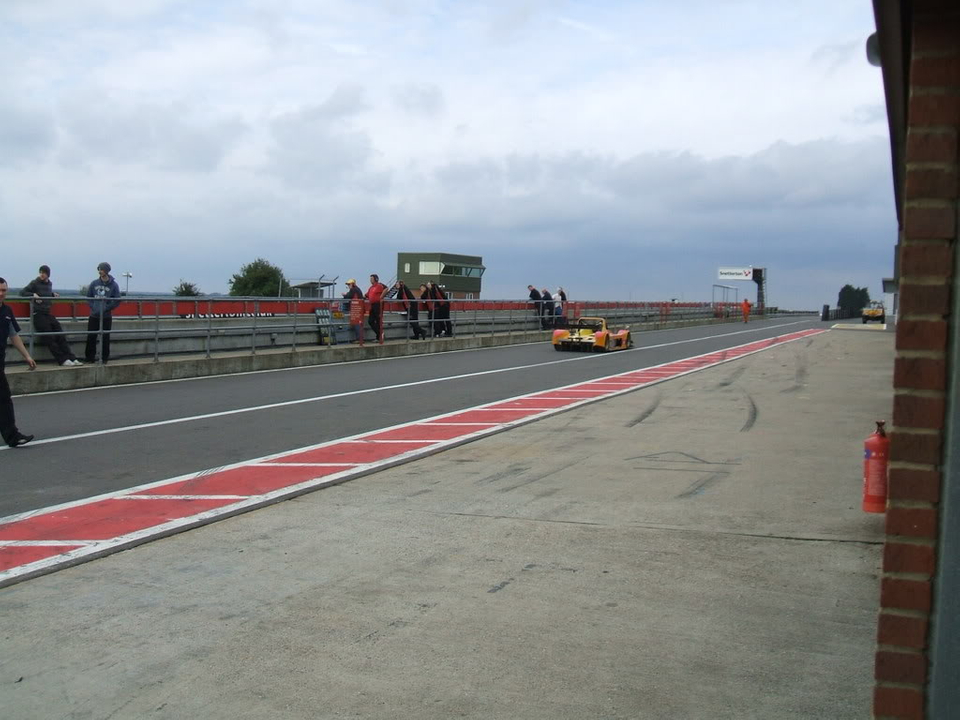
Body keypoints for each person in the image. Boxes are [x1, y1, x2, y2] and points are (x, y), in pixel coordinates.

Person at [20, 265, 81, 366]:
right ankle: (62, 360)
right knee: (49, 337)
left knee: (60, 335)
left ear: (48, 274)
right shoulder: (34, 282)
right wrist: (33, 295)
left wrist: (52, 294)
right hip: (38, 314)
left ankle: (71, 358)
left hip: (47, 313)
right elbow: (22, 292)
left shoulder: (49, 284)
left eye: (43, 272)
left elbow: (45, 293)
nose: (41, 274)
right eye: (40, 272)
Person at [0, 277, 37, 448]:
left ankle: (12, 436)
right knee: (4, 399)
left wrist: (26, 356)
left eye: (4, 290)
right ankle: (12, 435)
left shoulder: (7, 311)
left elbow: (14, 336)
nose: (2, 294)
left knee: (4, 399)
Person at [84, 262, 121, 364]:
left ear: (107, 271)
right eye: (99, 269)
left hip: (106, 316)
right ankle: (89, 358)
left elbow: (117, 299)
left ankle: (104, 358)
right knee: (91, 336)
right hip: (94, 315)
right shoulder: (94, 283)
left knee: (105, 337)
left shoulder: (114, 285)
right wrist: (94, 307)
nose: (100, 271)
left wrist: (107, 308)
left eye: (102, 269)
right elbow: (89, 297)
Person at [365, 274, 388, 342]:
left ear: (376, 279)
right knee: (371, 321)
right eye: (370, 278)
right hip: (372, 305)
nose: (370, 280)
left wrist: (381, 297)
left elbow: (386, 288)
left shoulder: (379, 285)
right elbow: (366, 295)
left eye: (372, 278)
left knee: (378, 321)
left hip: (378, 305)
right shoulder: (371, 287)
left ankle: (379, 337)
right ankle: (380, 334)